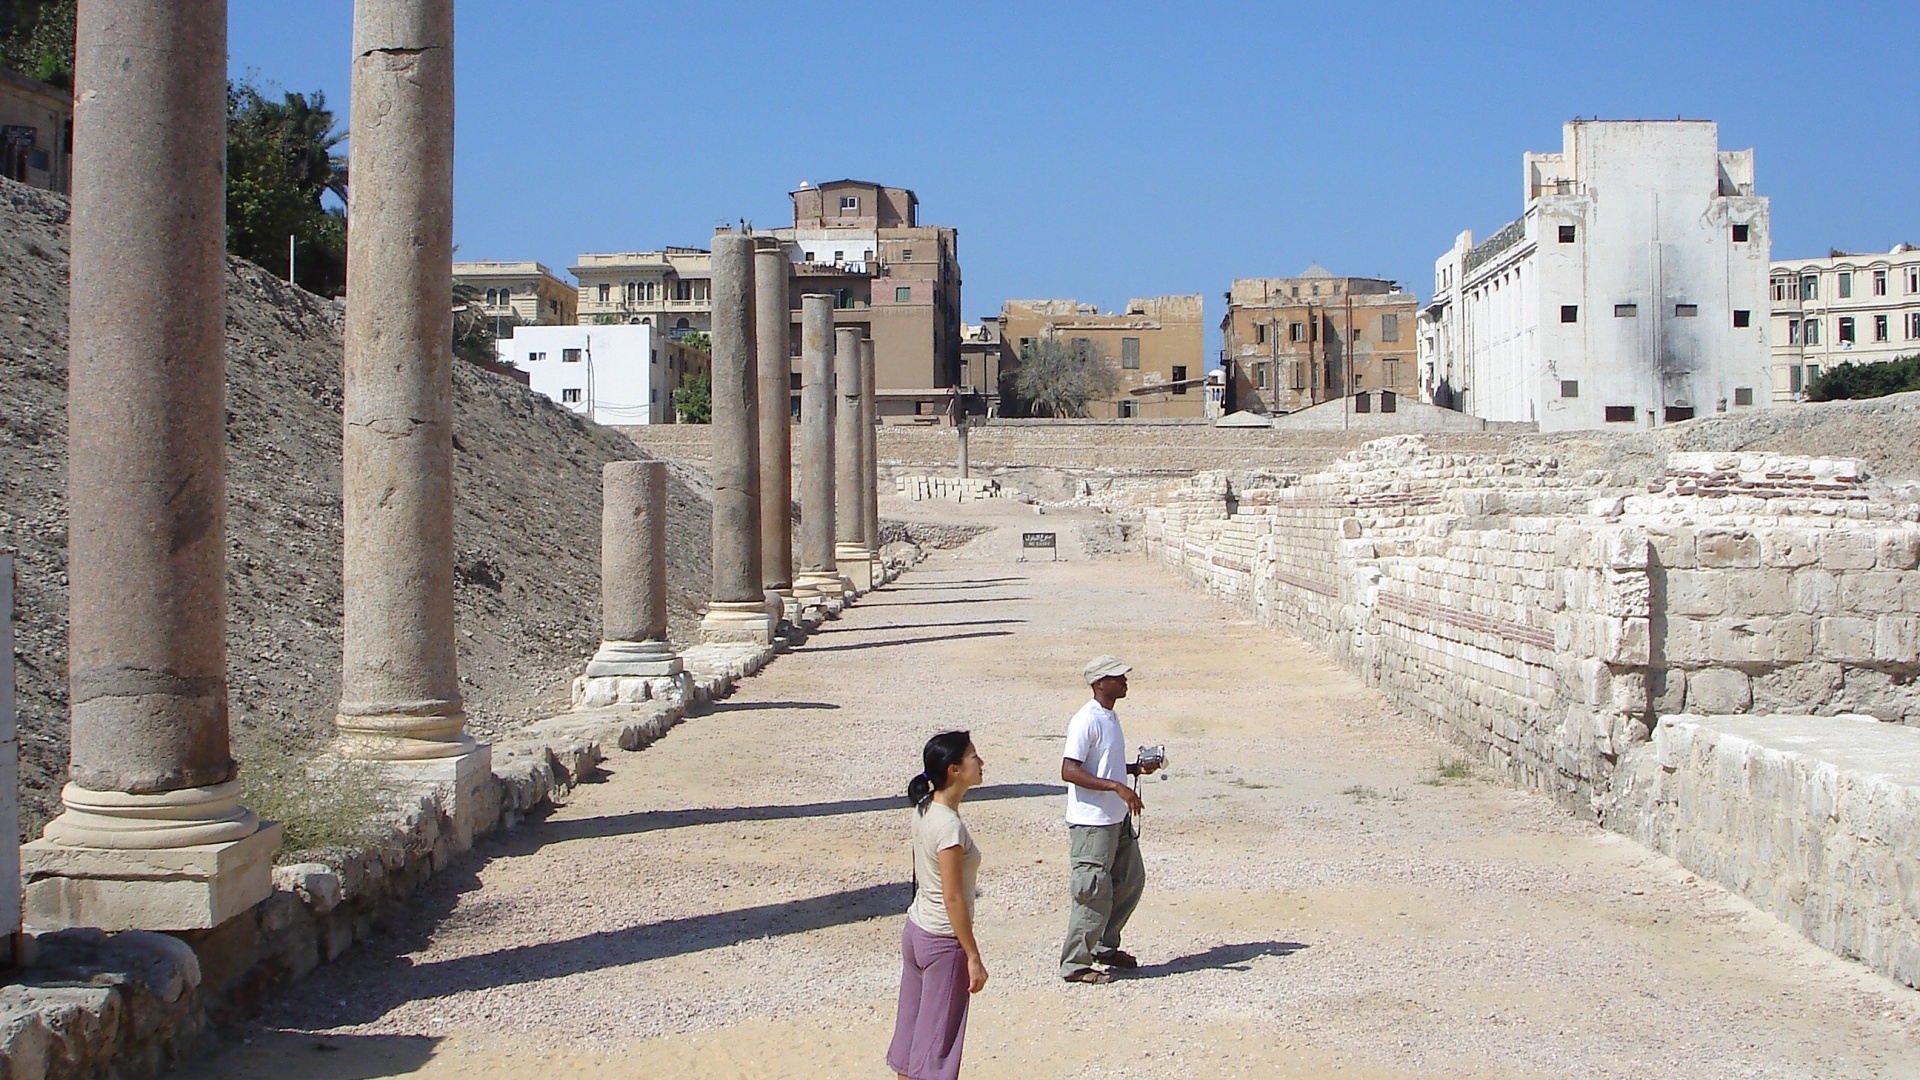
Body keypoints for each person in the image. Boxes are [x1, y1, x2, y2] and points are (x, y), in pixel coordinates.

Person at [888, 731, 987, 1080]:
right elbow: (953, 896)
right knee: (937, 1050)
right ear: (954, 770)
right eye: (973, 756)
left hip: (917, 930)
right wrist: (972, 955)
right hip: (943, 941)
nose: (981, 762)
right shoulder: (948, 825)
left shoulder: (925, 806)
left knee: (912, 1038)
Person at [1059, 654, 1160, 983]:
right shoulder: (1086, 720)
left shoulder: (1109, 717)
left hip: (1115, 820)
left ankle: (1105, 945)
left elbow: (1099, 765)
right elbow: (1069, 770)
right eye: (1118, 677)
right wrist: (1118, 786)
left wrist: (1134, 770)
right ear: (1099, 683)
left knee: (1130, 881)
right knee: (1092, 890)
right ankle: (1076, 964)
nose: (1125, 681)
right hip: (1092, 823)